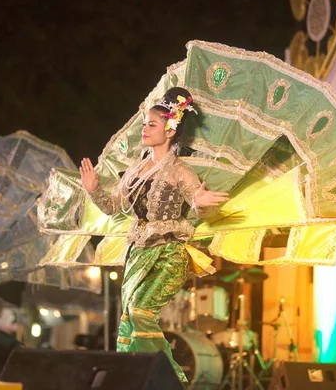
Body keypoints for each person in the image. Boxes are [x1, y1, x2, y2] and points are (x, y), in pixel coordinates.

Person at [79, 87, 229, 383]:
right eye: (144, 124)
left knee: (140, 311)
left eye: (152, 125)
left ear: (170, 130)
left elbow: (199, 205)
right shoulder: (135, 171)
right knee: (127, 321)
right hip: (137, 253)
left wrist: (199, 204)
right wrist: (94, 189)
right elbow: (113, 207)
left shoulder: (180, 171)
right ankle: (132, 379)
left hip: (169, 253)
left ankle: (170, 382)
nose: (145, 130)